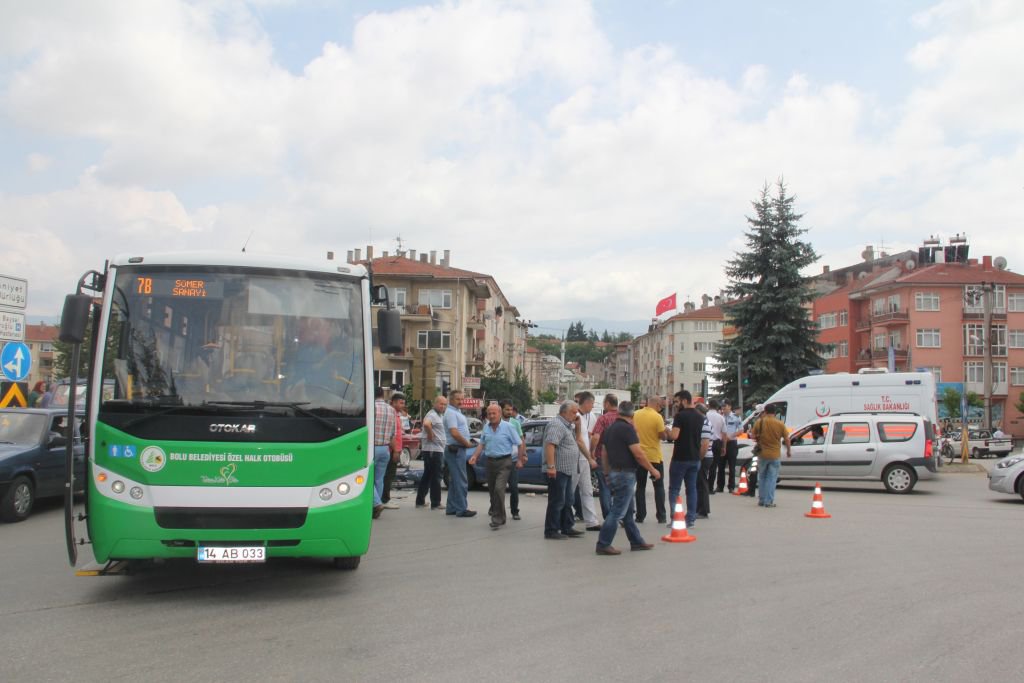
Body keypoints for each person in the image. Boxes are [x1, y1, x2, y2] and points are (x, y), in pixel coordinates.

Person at [595, 401, 658, 555]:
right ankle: (603, 544)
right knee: (617, 511)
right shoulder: (627, 429)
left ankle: (636, 541)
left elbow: (604, 452)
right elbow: (638, 453)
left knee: (628, 511)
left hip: (615, 472)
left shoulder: (610, 429)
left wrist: (607, 472)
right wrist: (652, 470)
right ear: (632, 415)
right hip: (625, 474)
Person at [469, 403, 522, 529]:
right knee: (493, 492)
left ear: (499, 414)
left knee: (499, 489)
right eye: (489, 414)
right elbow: (481, 444)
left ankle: (497, 518)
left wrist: (520, 460)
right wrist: (475, 456)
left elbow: (520, 443)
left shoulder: (508, 427)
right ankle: (501, 516)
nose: (491, 416)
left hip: (505, 462)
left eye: (494, 413)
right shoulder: (486, 427)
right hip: (490, 462)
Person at [542, 400, 588, 540]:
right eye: (574, 412)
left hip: (567, 470)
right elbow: (550, 445)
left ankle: (566, 527)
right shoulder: (557, 424)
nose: (576, 415)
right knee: (557, 501)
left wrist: (578, 426)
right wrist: (551, 466)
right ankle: (551, 530)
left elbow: (577, 441)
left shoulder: (568, 426)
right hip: (558, 469)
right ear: (564, 412)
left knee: (568, 500)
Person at [668, 390, 712, 528]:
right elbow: (705, 441)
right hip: (694, 459)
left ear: (684, 401)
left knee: (674, 488)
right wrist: (699, 457)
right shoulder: (701, 417)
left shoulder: (680, 416)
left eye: (677, 401)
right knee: (691, 488)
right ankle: (691, 518)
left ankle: (676, 518)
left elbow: (674, 436)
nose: (675, 404)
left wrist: (666, 431)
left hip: (680, 458)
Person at [633, 395, 669, 524]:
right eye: (661, 406)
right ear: (658, 405)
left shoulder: (636, 414)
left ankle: (640, 515)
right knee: (658, 486)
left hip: (639, 456)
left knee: (640, 487)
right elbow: (662, 436)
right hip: (654, 457)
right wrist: (666, 432)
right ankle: (661, 516)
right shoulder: (657, 417)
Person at [443, 390, 477, 518]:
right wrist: (467, 443)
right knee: (461, 480)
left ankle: (452, 507)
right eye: (458, 399)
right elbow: (454, 433)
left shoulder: (456, 412)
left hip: (457, 449)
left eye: (462, 399)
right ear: (451, 400)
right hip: (456, 449)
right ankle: (462, 509)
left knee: (454, 481)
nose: (461, 401)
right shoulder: (451, 413)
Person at [752, 403, 791, 507]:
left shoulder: (759, 422)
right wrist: (788, 450)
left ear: (765, 411)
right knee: (772, 478)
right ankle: (768, 501)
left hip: (762, 454)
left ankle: (761, 499)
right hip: (774, 454)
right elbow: (787, 439)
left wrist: (759, 439)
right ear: (775, 412)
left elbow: (753, 435)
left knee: (762, 477)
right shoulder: (780, 424)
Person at [590, 393, 620, 518]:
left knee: (605, 487)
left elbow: (596, 437)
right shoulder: (625, 418)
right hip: (622, 458)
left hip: (604, 457)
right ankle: (622, 514)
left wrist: (592, 452)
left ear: (607, 403)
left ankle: (609, 516)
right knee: (620, 487)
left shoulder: (603, 418)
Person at [574, 391, 601, 531]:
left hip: (584, 460)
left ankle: (592, 521)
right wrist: (590, 457)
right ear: (587, 403)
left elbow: (588, 438)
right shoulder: (576, 417)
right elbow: (579, 441)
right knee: (570, 491)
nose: (592, 407)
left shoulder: (586, 417)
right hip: (576, 459)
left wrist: (590, 455)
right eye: (592, 404)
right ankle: (564, 521)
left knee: (587, 490)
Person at [371, 387, 399, 519]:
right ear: (383, 395)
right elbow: (394, 432)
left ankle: (376, 503)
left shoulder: (371, 407)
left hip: (372, 448)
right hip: (385, 449)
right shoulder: (391, 410)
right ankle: (377, 504)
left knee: (366, 478)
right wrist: (395, 450)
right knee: (379, 478)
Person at [417, 395, 448, 510]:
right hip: (433, 450)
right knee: (436, 476)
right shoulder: (432, 414)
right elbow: (426, 424)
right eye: (441, 404)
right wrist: (430, 434)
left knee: (428, 475)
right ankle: (436, 502)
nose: (443, 406)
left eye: (445, 404)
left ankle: (420, 500)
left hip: (435, 449)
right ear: (434, 404)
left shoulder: (439, 415)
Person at [499, 400, 526, 520]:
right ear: (501, 410)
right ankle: (496, 509)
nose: (510, 412)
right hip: (499, 459)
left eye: (511, 409)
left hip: (513, 459)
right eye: (507, 409)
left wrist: (522, 456)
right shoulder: (495, 422)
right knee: (498, 488)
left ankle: (515, 511)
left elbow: (521, 440)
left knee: (514, 487)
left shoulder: (515, 423)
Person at [381, 392, 407, 508]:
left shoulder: (397, 415)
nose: (402, 405)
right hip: (391, 450)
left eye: (403, 403)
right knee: (388, 475)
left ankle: (385, 498)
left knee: (389, 475)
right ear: (393, 402)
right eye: (400, 403)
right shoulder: (391, 414)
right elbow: (392, 434)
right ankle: (384, 500)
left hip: (395, 449)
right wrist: (396, 450)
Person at [717, 399, 742, 493]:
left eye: (725, 406)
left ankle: (731, 487)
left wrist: (730, 436)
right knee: (721, 466)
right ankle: (720, 486)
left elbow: (740, 430)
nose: (723, 408)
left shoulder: (736, 417)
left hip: (731, 443)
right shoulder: (720, 417)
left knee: (732, 466)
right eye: (722, 406)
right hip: (722, 443)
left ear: (730, 407)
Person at [695, 401, 713, 518]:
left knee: (702, 483)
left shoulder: (704, 423)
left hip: (704, 457)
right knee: (699, 483)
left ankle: (703, 510)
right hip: (705, 456)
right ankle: (699, 508)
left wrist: (699, 458)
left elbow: (705, 444)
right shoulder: (704, 422)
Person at [705, 399, 727, 494]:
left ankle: (703, 486)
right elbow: (724, 433)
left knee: (704, 465)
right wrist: (724, 446)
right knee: (714, 467)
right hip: (717, 443)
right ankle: (710, 488)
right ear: (717, 406)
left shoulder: (705, 415)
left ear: (709, 406)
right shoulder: (721, 417)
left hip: (706, 441)